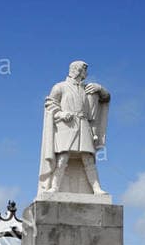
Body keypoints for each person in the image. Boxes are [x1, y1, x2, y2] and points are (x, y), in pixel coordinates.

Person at [39, 60, 110, 194]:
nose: (86, 73)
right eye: (84, 70)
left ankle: (96, 188)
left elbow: (106, 98)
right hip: (67, 126)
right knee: (63, 157)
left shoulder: (87, 88)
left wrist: (100, 88)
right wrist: (61, 113)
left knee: (88, 158)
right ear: (77, 70)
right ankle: (54, 187)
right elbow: (50, 105)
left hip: (83, 125)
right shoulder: (60, 87)